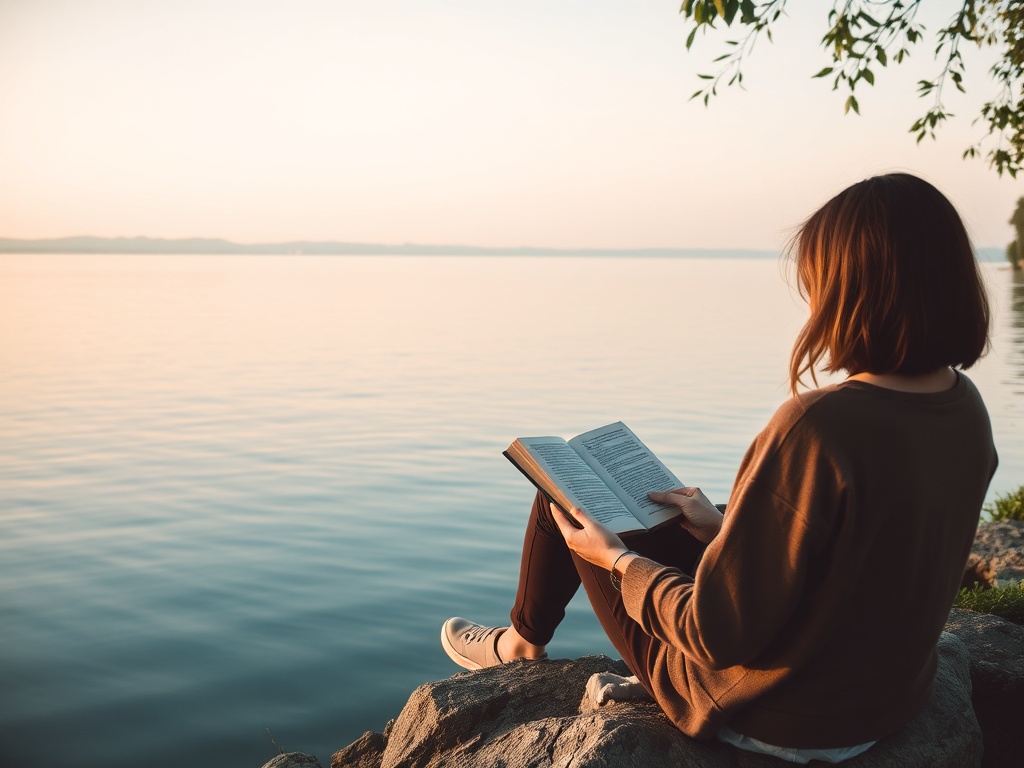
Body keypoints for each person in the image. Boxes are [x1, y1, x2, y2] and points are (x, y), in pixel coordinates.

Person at [440, 173, 998, 763]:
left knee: (562, 499)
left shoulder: (818, 425)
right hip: (882, 696)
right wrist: (721, 528)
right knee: (656, 518)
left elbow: (717, 634)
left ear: (852, 288)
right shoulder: (963, 408)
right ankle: (539, 630)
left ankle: (522, 645)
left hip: (779, 713)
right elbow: (862, 556)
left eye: (818, 279)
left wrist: (618, 562)